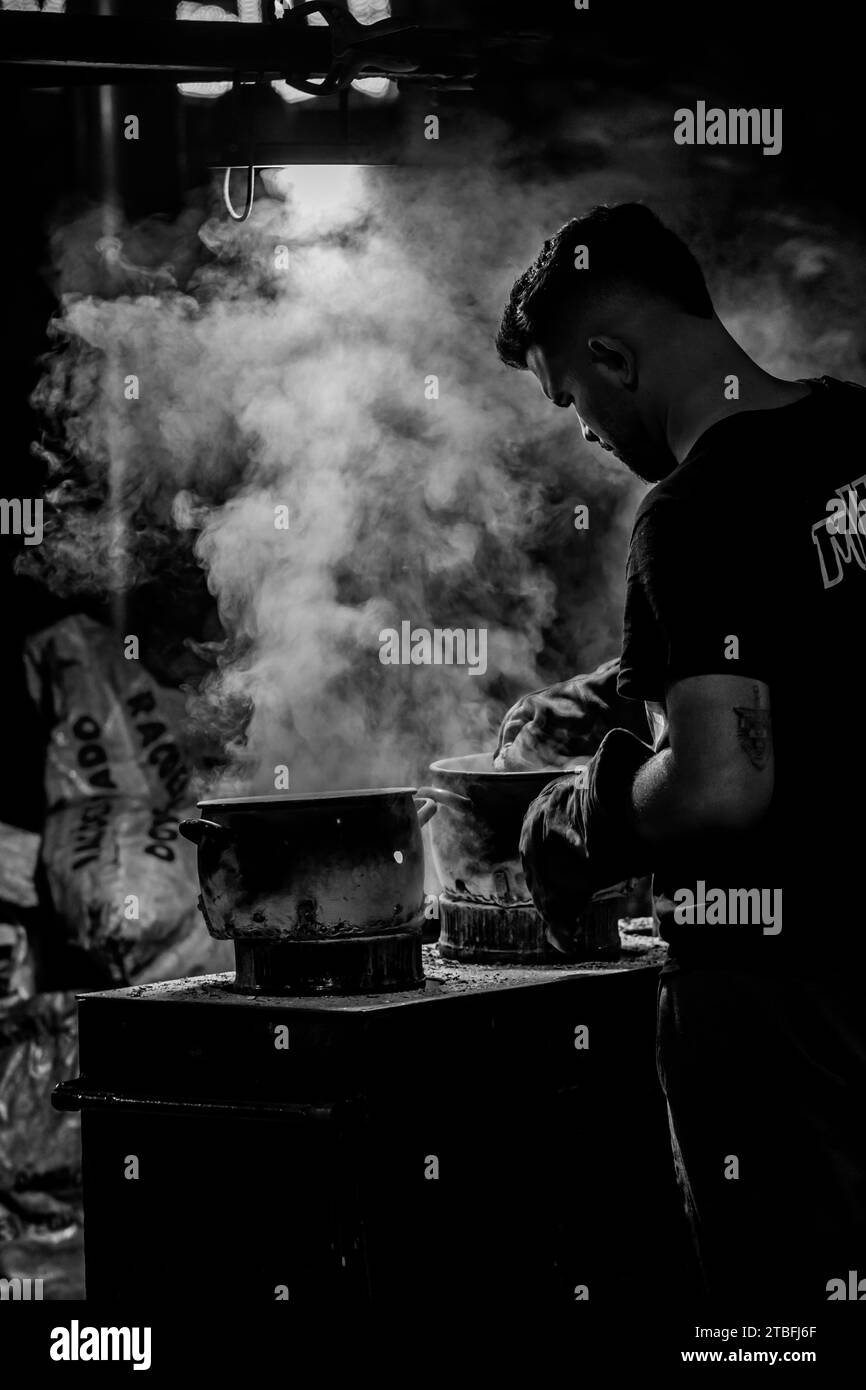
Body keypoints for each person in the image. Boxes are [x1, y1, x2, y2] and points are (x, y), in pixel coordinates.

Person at [494, 202, 866, 1304]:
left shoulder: (690, 512)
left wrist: (576, 818)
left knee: (781, 1320)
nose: (589, 434)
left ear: (610, 357)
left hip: (785, 1003)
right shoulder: (853, 432)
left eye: (574, 400)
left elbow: (719, 782)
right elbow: (814, 643)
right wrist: (615, 687)